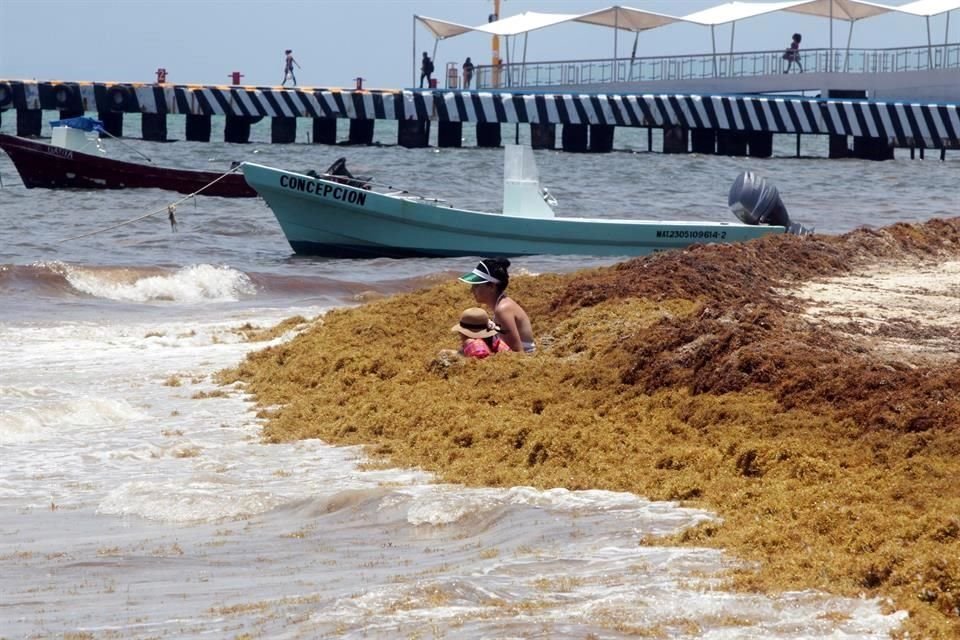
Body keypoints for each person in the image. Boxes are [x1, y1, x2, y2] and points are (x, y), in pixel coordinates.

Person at [458, 258, 536, 353]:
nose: (472, 290)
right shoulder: (501, 304)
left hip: (526, 357)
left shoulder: (503, 309)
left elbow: (517, 352)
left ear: (492, 286)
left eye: (476, 285)